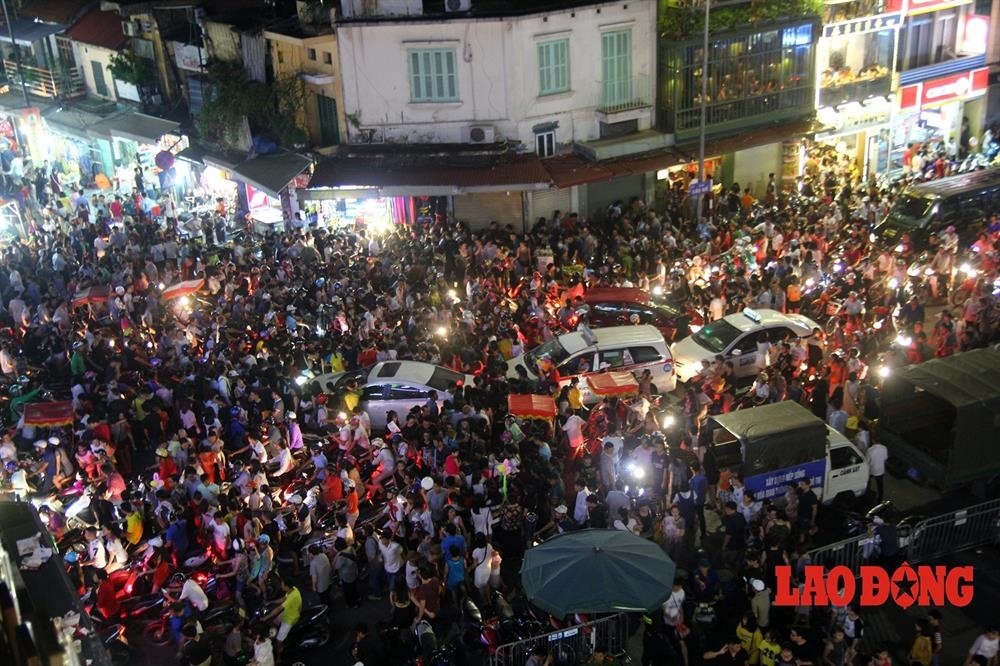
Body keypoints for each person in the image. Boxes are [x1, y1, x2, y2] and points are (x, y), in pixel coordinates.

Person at [261, 577, 301, 661]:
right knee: (275, 622)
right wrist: (271, 602)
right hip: (287, 613)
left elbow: (278, 609)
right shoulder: (292, 590)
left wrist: (266, 617)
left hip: (290, 619)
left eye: (282, 585)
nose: (281, 586)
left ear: (287, 587)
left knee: (279, 640)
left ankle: (279, 657)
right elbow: (283, 599)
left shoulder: (292, 597)